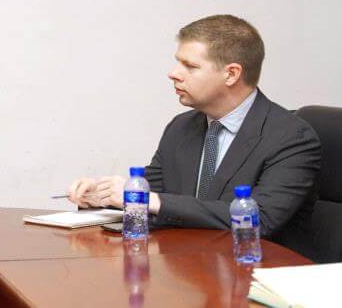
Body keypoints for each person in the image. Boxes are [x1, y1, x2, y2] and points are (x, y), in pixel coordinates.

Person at [67, 15, 321, 240]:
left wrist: (149, 199)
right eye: (178, 63)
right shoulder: (181, 127)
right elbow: (155, 193)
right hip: (190, 263)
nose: (173, 73)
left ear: (231, 74)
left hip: (258, 268)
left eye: (190, 66)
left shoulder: (291, 137)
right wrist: (102, 196)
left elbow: (261, 219)